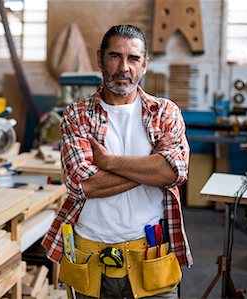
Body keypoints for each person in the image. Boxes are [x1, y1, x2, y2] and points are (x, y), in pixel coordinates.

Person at [42, 24, 192, 299]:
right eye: (115, 56)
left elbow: (174, 172)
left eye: (133, 58)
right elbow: (82, 185)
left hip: (150, 252)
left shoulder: (165, 112)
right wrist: (149, 169)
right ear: (100, 59)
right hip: (90, 255)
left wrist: (109, 162)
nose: (124, 67)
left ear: (144, 64)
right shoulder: (77, 115)